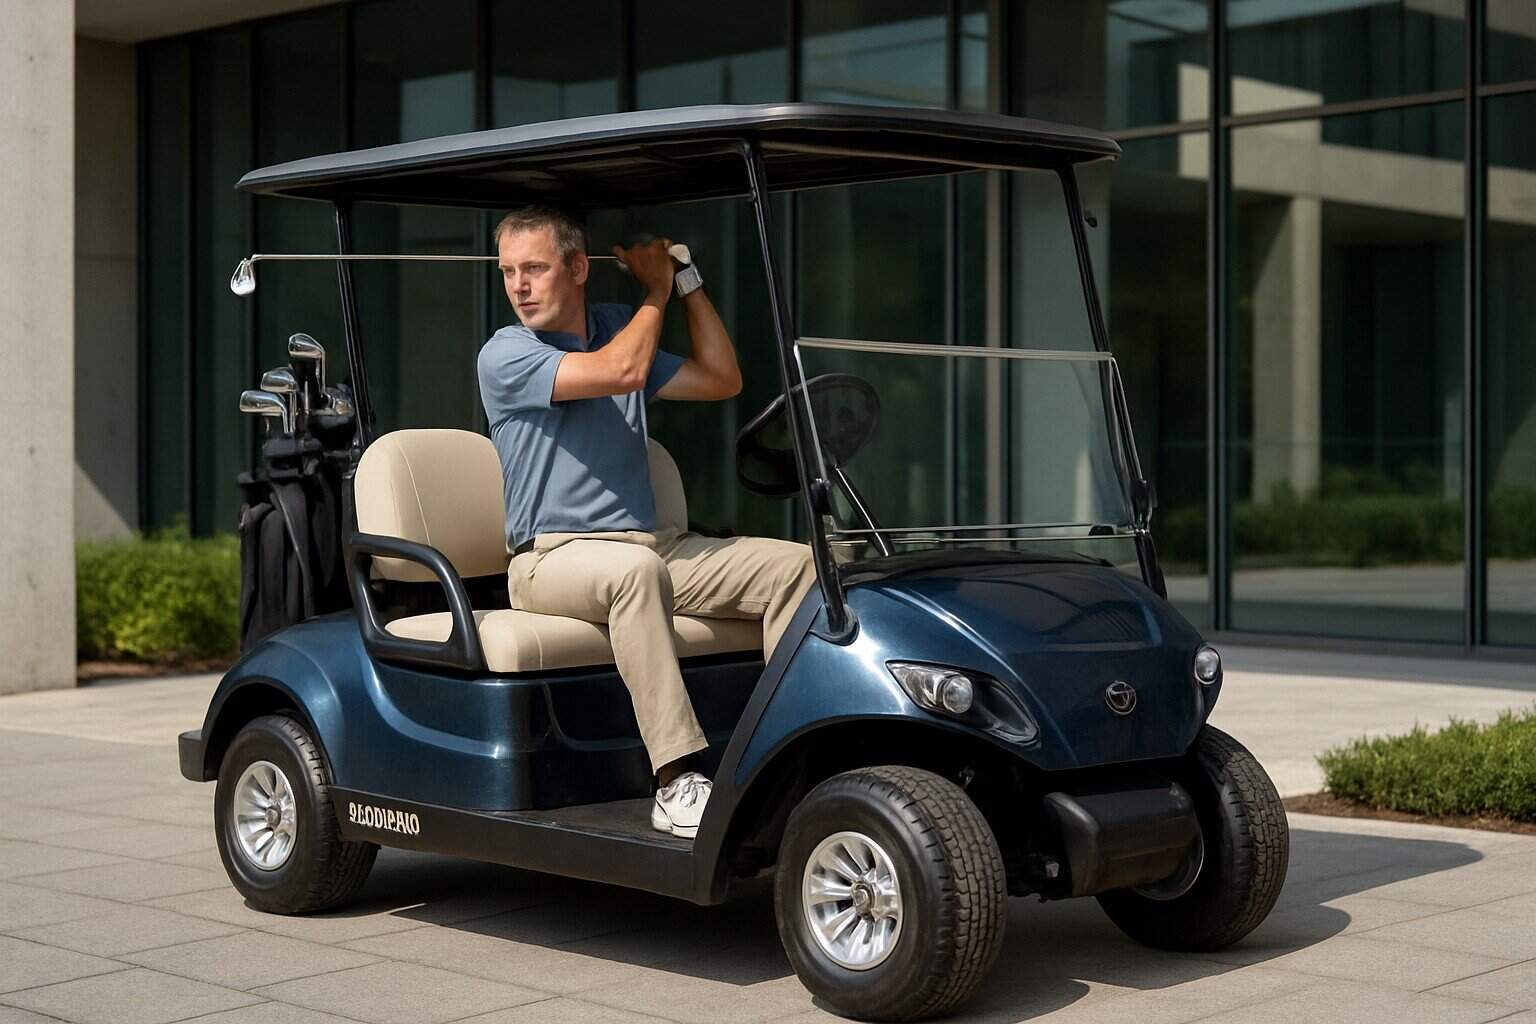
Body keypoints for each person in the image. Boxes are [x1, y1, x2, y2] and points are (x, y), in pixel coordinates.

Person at [477, 205, 817, 839]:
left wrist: (684, 280)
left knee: (795, 566)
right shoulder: (506, 352)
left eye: (534, 269)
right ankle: (677, 779)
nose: (518, 286)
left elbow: (722, 379)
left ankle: (790, 755)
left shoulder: (614, 325)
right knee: (635, 573)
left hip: (653, 545)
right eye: (509, 272)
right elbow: (621, 372)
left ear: (579, 268)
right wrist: (655, 288)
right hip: (549, 557)